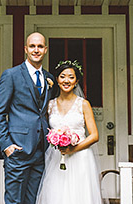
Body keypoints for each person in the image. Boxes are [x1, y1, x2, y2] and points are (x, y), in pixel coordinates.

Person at [0, 32, 55, 204]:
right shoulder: (11, 75)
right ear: (26, 49)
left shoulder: (49, 79)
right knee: (14, 201)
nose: (36, 50)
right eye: (32, 46)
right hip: (18, 150)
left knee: (32, 201)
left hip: (40, 152)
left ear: (45, 50)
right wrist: (6, 146)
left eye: (40, 46)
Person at [35, 60, 102, 204]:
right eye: (62, 76)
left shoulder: (83, 104)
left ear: (76, 81)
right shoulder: (50, 105)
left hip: (80, 158)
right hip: (56, 158)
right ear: (57, 79)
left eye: (71, 77)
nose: (66, 80)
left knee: (80, 196)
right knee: (57, 195)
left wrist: (73, 149)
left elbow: (94, 135)